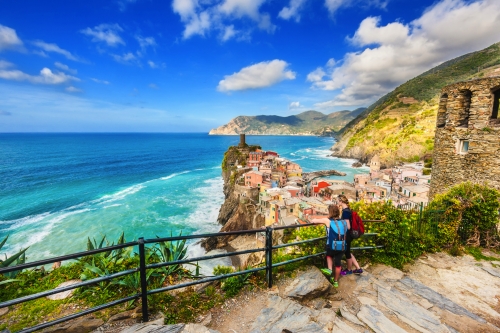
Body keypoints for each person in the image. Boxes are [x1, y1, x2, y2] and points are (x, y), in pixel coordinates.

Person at [306, 204, 349, 288]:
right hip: (342, 245)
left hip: (331, 245)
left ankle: (329, 269)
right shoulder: (343, 221)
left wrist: (308, 217)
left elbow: (313, 221)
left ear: (330, 212)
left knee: (329, 255)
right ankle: (335, 281)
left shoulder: (328, 221)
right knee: (338, 264)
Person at [337, 195, 363, 275]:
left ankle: (349, 270)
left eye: (338, 200)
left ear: (341, 201)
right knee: (348, 251)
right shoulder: (348, 210)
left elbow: (348, 226)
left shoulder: (345, 212)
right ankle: (358, 268)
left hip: (347, 235)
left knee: (347, 252)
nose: (337, 202)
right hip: (349, 235)